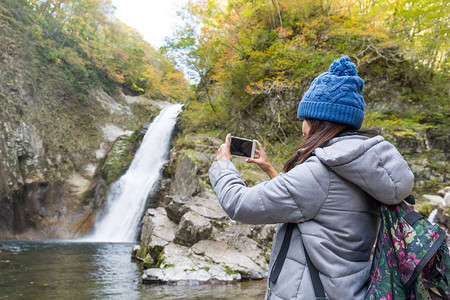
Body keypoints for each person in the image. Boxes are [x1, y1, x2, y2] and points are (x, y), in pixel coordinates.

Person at [208, 56, 415, 300]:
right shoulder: (360, 166)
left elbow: (239, 204)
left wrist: (223, 166)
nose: (302, 128)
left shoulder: (320, 173)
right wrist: (271, 171)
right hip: (347, 290)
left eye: (305, 119)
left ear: (318, 121)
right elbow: (320, 210)